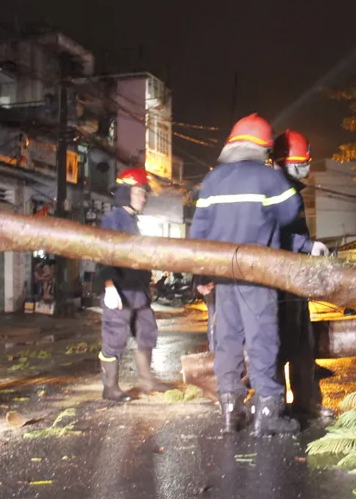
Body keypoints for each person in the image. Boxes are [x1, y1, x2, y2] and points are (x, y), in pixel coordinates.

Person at [190, 114, 303, 437]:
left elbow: (198, 231)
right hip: (257, 274)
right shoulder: (268, 179)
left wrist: (200, 275)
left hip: (223, 276)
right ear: (264, 147)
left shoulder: (212, 181)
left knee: (227, 339)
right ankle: (267, 412)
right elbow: (290, 213)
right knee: (261, 338)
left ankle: (230, 410)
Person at [95, 167, 173, 401]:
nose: (144, 197)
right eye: (140, 192)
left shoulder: (132, 221)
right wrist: (109, 286)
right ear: (126, 192)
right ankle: (110, 388)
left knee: (146, 332)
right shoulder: (113, 220)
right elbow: (103, 254)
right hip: (120, 290)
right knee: (115, 336)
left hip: (138, 292)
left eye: (145, 193)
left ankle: (146, 381)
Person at [270, 129, 332, 421]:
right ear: (288, 162)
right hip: (283, 280)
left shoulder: (285, 188)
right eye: (304, 161)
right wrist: (308, 245)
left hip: (289, 279)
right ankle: (294, 408)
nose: (308, 167)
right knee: (290, 343)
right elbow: (277, 234)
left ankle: (299, 405)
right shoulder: (278, 191)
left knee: (296, 343)